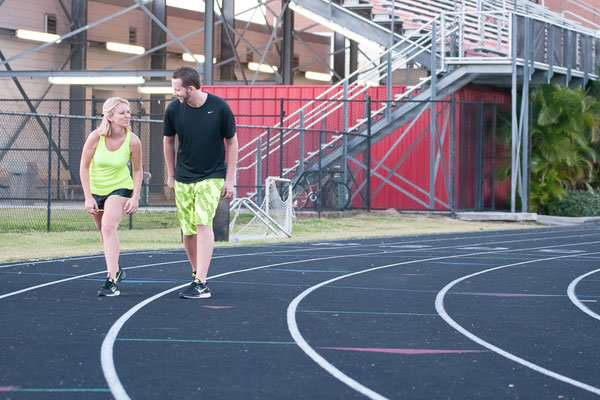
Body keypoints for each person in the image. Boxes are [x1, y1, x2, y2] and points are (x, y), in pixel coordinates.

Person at [163, 66, 238, 299]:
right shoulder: (174, 109)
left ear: (191, 88)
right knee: (187, 229)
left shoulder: (220, 108)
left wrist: (230, 179)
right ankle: (196, 274)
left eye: (177, 89)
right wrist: (170, 174)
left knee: (203, 223)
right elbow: (168, 142)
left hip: (212, 175)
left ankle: (202, 282)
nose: (174, 93)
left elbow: (232, 143)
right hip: (184, 176)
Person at [80, 97, 143, 297]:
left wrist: (135, 197)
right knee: (103, 232)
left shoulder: (133, 140)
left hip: (121, 188)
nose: (128, 116)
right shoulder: (95, 137)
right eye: (122, 113)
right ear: (110, 117)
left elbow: (139, 170)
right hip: (97, 189)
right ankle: (116, 268)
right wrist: (88, 197)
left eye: (129, 112)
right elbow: (83, 166)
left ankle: (111, 280)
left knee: (108, 226)